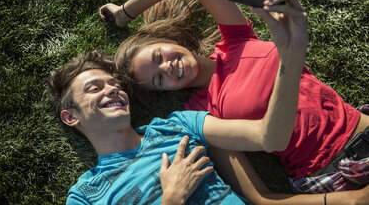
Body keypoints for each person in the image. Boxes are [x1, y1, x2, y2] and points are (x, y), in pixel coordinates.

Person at [99, 0, 369, 194]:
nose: (167, 67)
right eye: (159, 79)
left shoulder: (236, 39)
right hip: (333, 170)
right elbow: (255, 190)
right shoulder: (202, 112)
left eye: (159, 56)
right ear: (164, 92)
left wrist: (123, 12)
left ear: (169, 40)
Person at [46, 51, 369, 205]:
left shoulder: (179, 126)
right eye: (94, 89)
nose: (112, 90)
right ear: (71, 117)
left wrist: (290, 51)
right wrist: (172, 196)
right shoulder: (86, 195)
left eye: (114, 84)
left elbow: (270, 136)